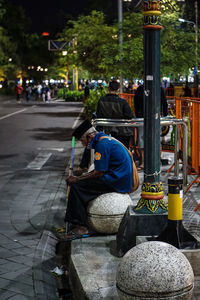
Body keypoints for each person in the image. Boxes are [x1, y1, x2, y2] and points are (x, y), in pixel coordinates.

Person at [65, 119, 133, 239]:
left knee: (77, 187)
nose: (83, 144)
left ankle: (80, 226)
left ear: (90, 136)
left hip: (116, 181)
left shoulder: (102, 144)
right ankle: (79, 219)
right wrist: (81, 177)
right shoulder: (104, 139)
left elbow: (98, 173)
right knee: (82, 183)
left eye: (83, 141)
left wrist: (77, 179)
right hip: (118, 177)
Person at [75, 79, 134, 175]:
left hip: (107, 131)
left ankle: (85, 166)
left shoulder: (102, 100)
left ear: (108, 88)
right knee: (122, 152)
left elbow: (99, 115)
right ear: (118, 89)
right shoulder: (122, 102)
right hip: (122, 132)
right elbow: (129, 116)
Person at [134, 83, 168, 170]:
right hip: (143, 118)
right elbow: (136, 103)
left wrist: (164, 117)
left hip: (154, 117)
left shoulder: (158, 89)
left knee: (155, 139)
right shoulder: (140, 89)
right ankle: (144, 162)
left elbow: (164, 103)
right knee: (142, 139)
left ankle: (156, 162)